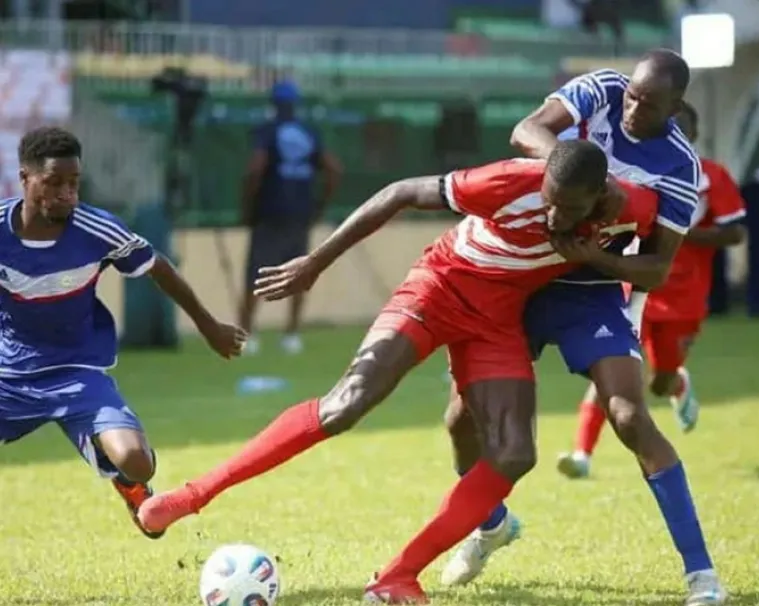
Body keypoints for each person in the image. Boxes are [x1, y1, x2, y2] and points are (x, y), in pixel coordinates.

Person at [137, 141, 658, 604]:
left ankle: (397, 577)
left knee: (515, 453)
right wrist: (316, 262)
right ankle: (190, 495)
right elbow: (401, 192)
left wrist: (600, 259)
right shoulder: (508, 181)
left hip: (497, 322)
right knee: (348, 403)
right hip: (439, 287)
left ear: (599, 198)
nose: (551, 213)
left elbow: (667, 249)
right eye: (548, 198)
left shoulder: (632, 207)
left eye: (566, 208)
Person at [441, 51, 728, 606]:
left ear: (677, 107)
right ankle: (492, 524)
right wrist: (581, 173)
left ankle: (702, 576)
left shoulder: (679, 166)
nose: (632, 107)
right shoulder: (600, 89)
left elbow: (658, 265)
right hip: (522, 279)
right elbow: (527, 130)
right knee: (460, 417)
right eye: (633, 95)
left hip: (592, 291)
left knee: (629, 416)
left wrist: (600, 260)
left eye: (649, 104)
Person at [0, 127, 247, 539]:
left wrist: (209, 326)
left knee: (137, 460)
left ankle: (129, 484)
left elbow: (159, 267)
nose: (67, 193)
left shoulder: (98, 230)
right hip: (10, 372)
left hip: (78, 371)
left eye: (74, 183)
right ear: (25, 178)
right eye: (54, 182)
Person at [558, 101, 746, 471]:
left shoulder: (709, 176)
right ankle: (582, 454)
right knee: (609, 369)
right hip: (629, 288)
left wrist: (679, 233)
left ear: (691, 135)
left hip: (683, 296)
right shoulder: (631, 175)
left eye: (677, 128)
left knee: (658, 381)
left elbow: (736, 231)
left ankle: (675, 384)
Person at [239, 79, 342, 356]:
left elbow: (256, 169)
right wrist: (320, 204)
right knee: (299, 270)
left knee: (256, 273)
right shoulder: (309, 132)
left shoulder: (267, 131)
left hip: (270, 211)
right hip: (301, 211)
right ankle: (292, 334)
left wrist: (247, 205)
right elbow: (333, 170)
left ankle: (248, 334)